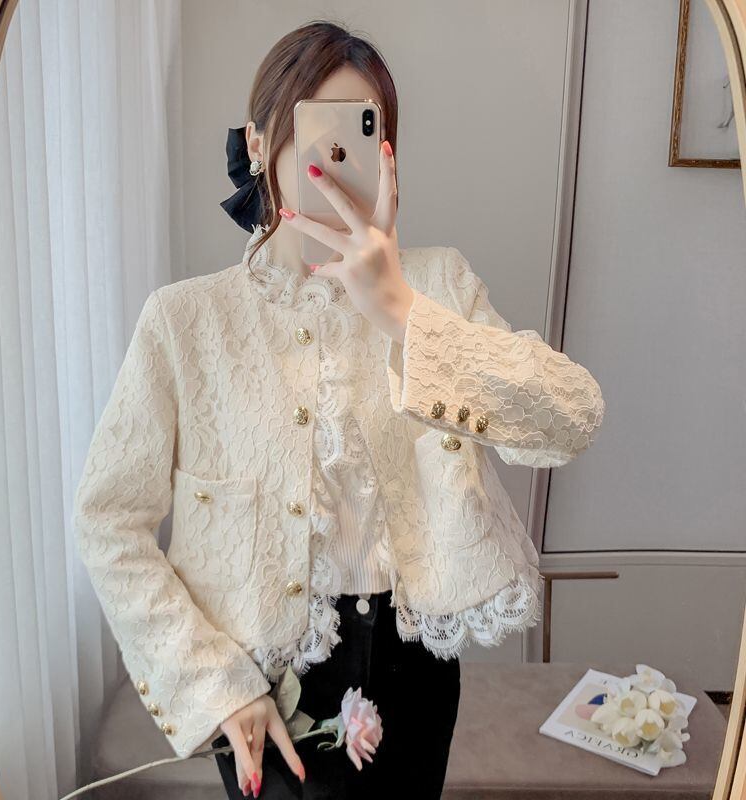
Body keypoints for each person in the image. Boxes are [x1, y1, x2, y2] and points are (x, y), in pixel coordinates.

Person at [73, 18, 605, 800]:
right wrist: (214, 685)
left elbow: (570, 417)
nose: (334, 159)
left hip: (414, 669)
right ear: (259, 144)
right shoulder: (185, 322)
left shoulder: (437, 285)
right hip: (262, 678)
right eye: (314, 129)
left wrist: (403, 314)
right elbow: (108, 519)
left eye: (364, 130)